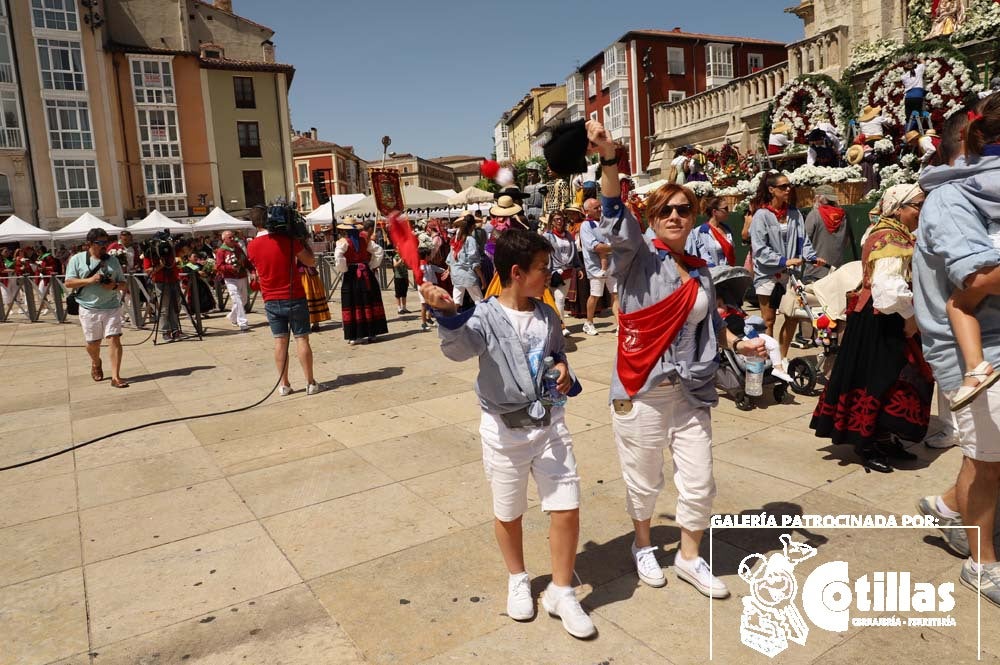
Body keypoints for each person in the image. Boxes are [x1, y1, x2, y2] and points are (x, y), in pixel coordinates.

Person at [589, 120, 767, 598]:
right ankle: (643, 545)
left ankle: (689, 558)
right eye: (664, 210)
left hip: (692, 390)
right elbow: (612, 212)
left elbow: (709, 329)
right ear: (651, 217)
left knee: (700, 480)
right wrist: (610, 160)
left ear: (694, 217)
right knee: (644, 480)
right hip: (643, 389)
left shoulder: (701, 271)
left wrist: (739, 343)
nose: (674, 216)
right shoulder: (634, 259)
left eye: (684, 209)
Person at [420, 228, 595, 639]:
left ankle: (562, 590)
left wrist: (564, 370)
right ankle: (517, 577)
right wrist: (447, 315)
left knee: (567, 507)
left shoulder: (547, 313)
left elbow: (556, 353)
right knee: (509, 511)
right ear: (517, 273)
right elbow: (459, 350)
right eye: (542, 269)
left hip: (551, 424)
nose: (548, 276)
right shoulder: (484, 317)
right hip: (503, 431)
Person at [913, 94, 1000, 608]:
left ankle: (948, 507)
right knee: (990, 460)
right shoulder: (949, 200)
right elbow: (972, 280)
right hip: (970, 348)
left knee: (986, 453)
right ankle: (982, 562)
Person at [811, 184, 931, 473]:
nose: (921, 211)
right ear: (898, 208)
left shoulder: (892, 233)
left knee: (891, 379)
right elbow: (887, 290)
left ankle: (883, 436)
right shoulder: (890, 238)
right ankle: (866, 442)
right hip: (882, 319)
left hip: (881, 317)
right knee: (878, 379)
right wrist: (910, 317)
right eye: (917, 205)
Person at [935, 98, 1000, 411]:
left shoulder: (958, 187)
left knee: (960, 299)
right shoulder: (952, 192)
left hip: (989, 352)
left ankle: (976, 368)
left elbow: (973, 279)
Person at [750, 171, 826, 358]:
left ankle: (782, 359)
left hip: (791, 275)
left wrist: (812, 257)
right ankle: (768, 360)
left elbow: (804, 240)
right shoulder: (761, 215)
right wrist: (783, 261)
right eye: (783, 186)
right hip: (768, 275)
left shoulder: (795, 213)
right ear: (771, 190)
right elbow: (759, 249)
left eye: (789, 185)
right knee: (768, 320)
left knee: (792, 316)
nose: (788, 189)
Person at [246, 220, 320, 396]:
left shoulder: (252, 246)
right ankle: (310, 382)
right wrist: (300, 239)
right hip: (294, 295)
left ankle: (284, 385)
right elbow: (310, 261)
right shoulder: (287, 240)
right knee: (302, 339)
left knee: (280, 341)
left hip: (271, 299)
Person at [64, 228, 129, 388]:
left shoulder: (113, 261)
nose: (104, 246)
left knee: (114, 338)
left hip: (111, 306)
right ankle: (96, 362)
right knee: (93, 344)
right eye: (100, 243)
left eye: (105, 242)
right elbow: (68, 282)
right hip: (88, 308)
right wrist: (90, 280)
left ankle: (115, 377)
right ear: (89, 244)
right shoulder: (77, 259)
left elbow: (123, 284)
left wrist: (113, 286)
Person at [333, 220, 388, 345]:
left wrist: (344, 269)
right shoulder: (365, 241)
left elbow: (338, 257)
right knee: (368, 300)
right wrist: (370, 265)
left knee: (353, 302)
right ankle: (371, 333)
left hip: (352, 275)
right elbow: (379, 251)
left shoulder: (343, 242)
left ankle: (355, 336)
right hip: (365, 273)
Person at [579, 197, 618, 335]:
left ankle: (620, 324)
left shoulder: (604, 222)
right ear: (588, 211)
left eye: (600, 206)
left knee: (615, 294)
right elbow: (594, 246)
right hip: (595, 267)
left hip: (611, 265)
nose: (599, 209)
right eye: (596, 208)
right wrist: (612, 247)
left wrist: (610, 246)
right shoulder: (586, 226)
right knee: (595, 295)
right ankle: (589, 322)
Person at [543, 210, 579, 337]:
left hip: (567, 271)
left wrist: (578, 267)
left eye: (561, 219)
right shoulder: (548, 236)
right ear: (552, 221)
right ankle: (561, 326)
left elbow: (574, 251)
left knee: (560, 299)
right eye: (556, 219)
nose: (559, 221)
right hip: (553, 271)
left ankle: (557, 324)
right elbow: (545, 254)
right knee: (557, 299)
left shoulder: (568, 235)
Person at [143, 233, 184, 342]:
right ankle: (165, 331)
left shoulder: (170, 250)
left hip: (173, 280)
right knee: (164, 308)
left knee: (175, 307)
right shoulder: (150, 253)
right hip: (160, 282)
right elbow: (147, 270)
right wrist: (160, 266)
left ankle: (175, 330)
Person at [803, 185, 848, 281]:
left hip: (815, 271)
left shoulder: (814, 214)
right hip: (836, 270)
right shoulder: (843, 216)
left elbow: (804, 240)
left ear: (818, 198)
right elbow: (846, 242)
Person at [214, 230, 251, 332]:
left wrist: (251, 270)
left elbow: (246, 260)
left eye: (233, 237)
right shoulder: (221, 251)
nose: (232, 239)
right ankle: (242, 323)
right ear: (224, 239)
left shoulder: (238, 248)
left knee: (244, 299)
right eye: (229, 237)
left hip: (242, 276)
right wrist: (231, 267)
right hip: (230, 278)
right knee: (237, 299)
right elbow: (219, 266)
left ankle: (232, 316)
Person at [686, 197, 736, 268]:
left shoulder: (727, 229)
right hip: (712, 273)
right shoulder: (701, 231)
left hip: (730, 272)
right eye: (725, 209)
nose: (728, 211)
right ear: (714, 212)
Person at [447, 212, 484, 306]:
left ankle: (452, 318)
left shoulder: (455, 240)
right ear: (472, 226)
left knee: (456, 301)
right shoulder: (470, 240)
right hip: (468, 275)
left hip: (456, 275)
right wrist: (482, 278)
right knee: (479, 301)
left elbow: (450, 259)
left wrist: (449, 270)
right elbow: (474, 261)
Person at [417, 246, 445, 331]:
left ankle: (428, 318)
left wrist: (446, 270)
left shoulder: (428, 264)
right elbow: (419, 278)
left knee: (431, 303)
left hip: (430, 286)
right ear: (425, 256)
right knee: (424, 305)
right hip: (423, 288)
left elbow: (436, 269)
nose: (431, 256)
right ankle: (423, 323)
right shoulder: (421, 266)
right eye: (429, 255)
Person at [902, 58, 927, 130]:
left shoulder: (903, 77)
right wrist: (917, 58)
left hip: (908, 97)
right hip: (917, 96)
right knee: (917, 116)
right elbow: (923, 62)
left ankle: (907, 134)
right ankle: (915, 132)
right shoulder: (918, 70)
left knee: (909, 118)